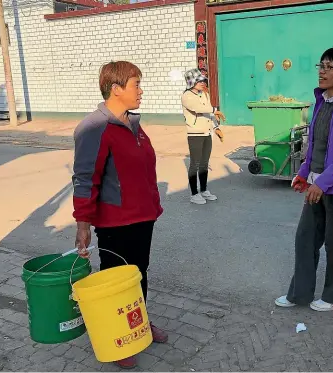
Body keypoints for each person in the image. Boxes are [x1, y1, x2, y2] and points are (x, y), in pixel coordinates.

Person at [72, 61, 167, 369]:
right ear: (116, 89)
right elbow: (85, 179)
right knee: (116, 283)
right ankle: (115, 339)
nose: (141, 91)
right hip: (115, 222)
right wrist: (83, 224)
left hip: (142, 217)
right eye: (135, 85)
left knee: (140, 274)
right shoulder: (94, 128)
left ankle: (139, 326)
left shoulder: (134, 124)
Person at [275, 47, 333, 312]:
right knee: (305, 240)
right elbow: (315, 145)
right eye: (321, 66)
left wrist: (322, 183)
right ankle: (300, 293)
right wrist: (304, 173)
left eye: (330, 67)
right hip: (316, 183)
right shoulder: (321, 102)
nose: (323, 71)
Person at [181, 68, 226, 205]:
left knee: (204, 164)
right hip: (195, 134)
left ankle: (204, 190)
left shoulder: (204, 94)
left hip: (207, 133)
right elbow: (198, 109)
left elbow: (209, 114)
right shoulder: (186, 96)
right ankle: (194, 194)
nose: (202, 82)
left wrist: (216, 128)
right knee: (195, 164)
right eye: (199, 80)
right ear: (191, 82)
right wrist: (215, 110)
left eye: (203, 80)